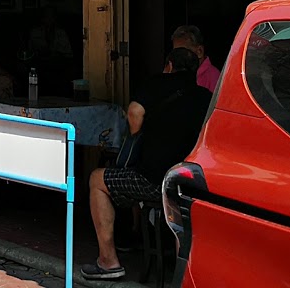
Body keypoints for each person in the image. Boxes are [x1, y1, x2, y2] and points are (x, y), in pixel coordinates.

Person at [80, 47, 212, 282]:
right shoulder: (205, 96)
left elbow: (134, 112)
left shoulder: (157, 84)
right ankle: (185, 277)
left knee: (97, 179)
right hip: (187, 183)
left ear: (169, 66)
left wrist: (137, 134)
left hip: (152, 180)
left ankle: (108, 261)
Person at [171, 24, 221, 93]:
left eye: (183, 53)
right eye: (176, 53)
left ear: (199, 51)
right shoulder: (176, 74)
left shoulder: (213, 77)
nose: (178, 58)